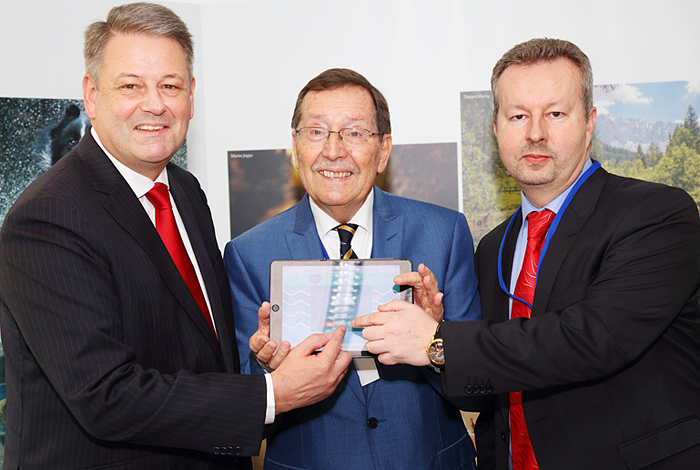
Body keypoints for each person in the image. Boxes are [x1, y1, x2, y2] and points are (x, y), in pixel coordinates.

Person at [0, 3, 350, 469]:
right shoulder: (47, 217)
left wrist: (265, 359)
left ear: (191, 95)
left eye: (170, 86)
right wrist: (273, 393)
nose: (155, 104)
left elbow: (191, 345)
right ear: (91, 95)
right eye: (131, 86)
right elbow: (106, 397)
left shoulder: (183, 191)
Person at [354, 38, 700, 469]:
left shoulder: (656, 214)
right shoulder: (494, 246)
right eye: (518, 115)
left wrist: (438, 341)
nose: (535, 132)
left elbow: (591, 339)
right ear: (497, 128)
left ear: (589, 122)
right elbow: (482, 389)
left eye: (555, 113)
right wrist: (437, 331)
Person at [223, 68, 482, 470]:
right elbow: (240, 410)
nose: (333, 150)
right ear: (295, 146)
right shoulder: (249, 254)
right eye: (316, 132)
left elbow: (476, 392)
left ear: (383, 151)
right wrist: (266, 367)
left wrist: (437, 341)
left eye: (355, 133)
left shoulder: (443, 234)